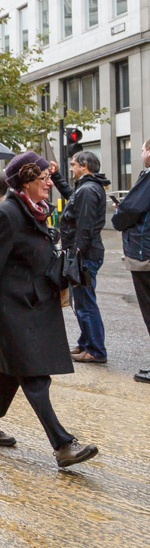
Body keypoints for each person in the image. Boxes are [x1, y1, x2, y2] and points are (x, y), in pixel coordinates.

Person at [0, 151, 98, 468]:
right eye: (43, 178)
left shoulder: (35, 210)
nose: (49, 183)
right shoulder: (6, 213)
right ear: (25, 181)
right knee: (34, 374)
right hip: (10, 307)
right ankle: (63, 444)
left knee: (9, 369)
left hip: (34, 301)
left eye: (49, 177)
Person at [52, 151, 110, 364]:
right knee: (83, 300)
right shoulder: (88, 187)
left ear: (84, 166)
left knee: (85, 302)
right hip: (85, 253)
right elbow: (70, 195)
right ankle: (87, 342)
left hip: (85, 255)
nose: (72, 168)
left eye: (74, 165)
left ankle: (95, 349)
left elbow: (84, 226)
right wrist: (57, 175)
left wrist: (76, 254)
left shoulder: (88, 189)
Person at [111, 136, 150, 383]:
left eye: (144, 148)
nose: (141, 152)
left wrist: (118, 216)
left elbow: (130, 210)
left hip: (145, 254)